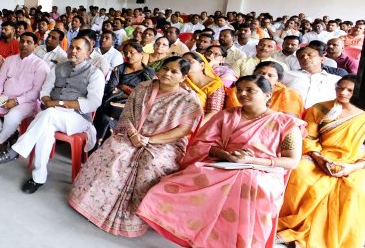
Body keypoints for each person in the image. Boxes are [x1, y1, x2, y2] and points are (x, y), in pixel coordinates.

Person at [137, 75, 305, 248]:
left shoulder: (286, 123)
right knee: (172, 185)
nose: (242, 93)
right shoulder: (226, 116)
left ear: (267, 95)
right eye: (239, 90)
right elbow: (202, 144)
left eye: (250, 90)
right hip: (224, 163)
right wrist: (226, 155)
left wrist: (252, 160)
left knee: (250, 182)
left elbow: (291, 161)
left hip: (264, 171)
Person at [70, 57, 202, 237]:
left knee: (152, 163)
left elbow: (182, 130)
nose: (167, 73)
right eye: (165, 68)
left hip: (165, 142)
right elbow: (127, 115)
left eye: (174, 71)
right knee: (115, 151)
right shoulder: (144, 87)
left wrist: (150, 141)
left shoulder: (188, 100)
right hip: (131, 133)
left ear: (184, 77)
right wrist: (133, 135)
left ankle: (138, 217)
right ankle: (91, 205)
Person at [0, 37, 104, 194]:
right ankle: (38, 178)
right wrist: (47, 100)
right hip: (52, 115)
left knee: (48, 114)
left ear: (88, 52)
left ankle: (16, 150)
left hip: (78, 117)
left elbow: (93, 102)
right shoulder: (58, 68)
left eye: (78, 49)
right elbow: (45, 91)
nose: (73, 51)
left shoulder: (95, 73)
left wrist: (58, 104)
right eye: (71, 47)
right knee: (46, 130)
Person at [277, 75, 365, 248]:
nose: (343, 92)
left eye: (349, 90)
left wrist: (351, 167)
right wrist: (319, 158)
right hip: (320, 154)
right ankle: (292, 226)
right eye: (340, 88)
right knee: (300, 173)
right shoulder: (321, 108)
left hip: (355, 161)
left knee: (354, 188)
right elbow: (308, 137)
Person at [0, 32, 50, 153]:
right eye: (22, 41)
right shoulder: (10, 60)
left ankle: (1, 141)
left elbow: (37, 92)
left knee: (11, 118)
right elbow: (0, 79)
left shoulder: (41, 65)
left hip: (27, 102)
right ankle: (11, 134)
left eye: (29, 42)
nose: (24, 44)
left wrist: (17, 101)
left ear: (36, 45)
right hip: (4, 97)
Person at [93, 42, 156, 144]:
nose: (128, 55)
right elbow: (110, 88)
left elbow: (147, 94)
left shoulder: (148, 73)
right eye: (125, 53)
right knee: (105, 117)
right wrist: (131, 91)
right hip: (113, 102)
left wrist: (123, 87)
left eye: (132, 52)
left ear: (141, 54)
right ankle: (96, 147)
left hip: (136, 106)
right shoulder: (119, 69)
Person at [226, 61, 305, 117]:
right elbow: (232, 115)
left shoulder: (288, 94)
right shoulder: (238, 91)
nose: (264, 77)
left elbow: (289, 122)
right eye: (260, 73)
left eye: (270, 75)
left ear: (278, 80)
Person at [181, 52, 225, 123]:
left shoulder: (215, 84)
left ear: (202, 65)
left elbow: (213, 113)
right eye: (183, 62)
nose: (186, 65)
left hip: (201, 123)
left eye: (190, 61)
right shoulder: (181, 81)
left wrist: (195, 128)